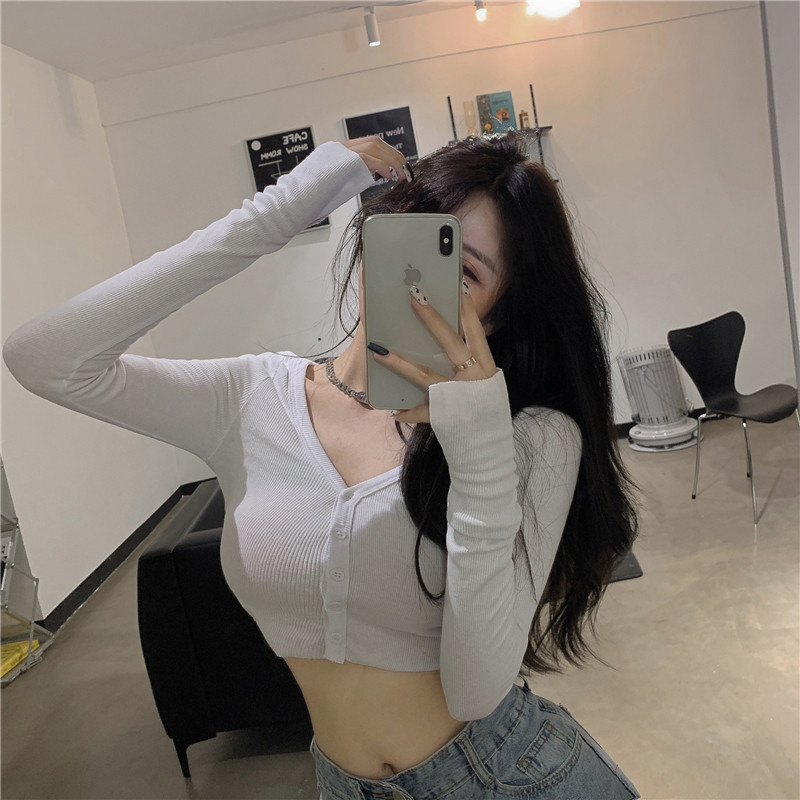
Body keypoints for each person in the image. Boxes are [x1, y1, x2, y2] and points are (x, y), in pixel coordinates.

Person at [4, 132, 640, 799]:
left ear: (497, 313)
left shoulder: (532, 436)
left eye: (465, 274)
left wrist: (476, 440)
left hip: (511, 776)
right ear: (368, 242)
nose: (420, 283)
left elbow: (476, 692)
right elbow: (46, 360)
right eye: (413, 243)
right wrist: (279, 211)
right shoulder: (250, 399)